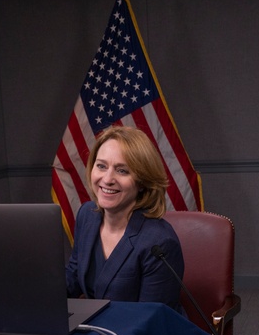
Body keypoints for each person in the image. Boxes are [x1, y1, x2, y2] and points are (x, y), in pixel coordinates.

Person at [66, 125, 184, 311]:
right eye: (101, 166)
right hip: (97, 328)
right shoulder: (87, 215)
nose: (107, 179)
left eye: (122, 171)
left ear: (143, 182)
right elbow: (73, 277)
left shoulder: (159, 242)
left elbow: (150, 320)